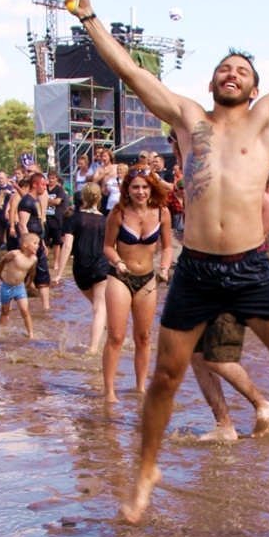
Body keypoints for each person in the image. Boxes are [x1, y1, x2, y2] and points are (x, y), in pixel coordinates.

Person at [69, 0, 269, 522]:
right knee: (166, 375)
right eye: (223, 69)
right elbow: (131, 71)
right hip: (198, 269)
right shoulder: (189, 119)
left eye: (242, 71)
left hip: (252, 267)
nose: (232, 74)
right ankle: (145, 472)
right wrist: (89, 15)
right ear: (211, 84)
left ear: (254, 87)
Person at [190, 177, 269, 442]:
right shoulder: (200, 172)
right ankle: (225, 426)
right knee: (196, 355)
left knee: (213, 355)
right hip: (210, 272)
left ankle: (262, 404)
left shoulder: (228, 172)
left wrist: (238, 247)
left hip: (233, 272)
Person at [102, 167, 172, 403]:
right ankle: (109, 391)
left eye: (144, 187)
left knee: (143, 337)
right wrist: (118, 261)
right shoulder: (119, 213)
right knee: (117, 336)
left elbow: (168, 246)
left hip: (147, 279)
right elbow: (108, 246)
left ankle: (141, 388)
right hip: (120, 277)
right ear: (127, 189)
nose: (140, 192)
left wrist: (164, 266)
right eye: (135, 187)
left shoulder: (162, 213)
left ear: (151, 188)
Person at [59, 182, 111, 353]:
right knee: (99, 307)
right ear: (99, 197)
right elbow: (112, 247)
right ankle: (94, 349)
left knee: (98, 306)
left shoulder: (73, 219)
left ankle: (105, 336)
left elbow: (67, 246)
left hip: (80, 269)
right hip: (101, 267)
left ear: (83, 197)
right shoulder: (105, 221)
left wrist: (59, 273)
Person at [17, 172, 52, 310]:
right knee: (22, 274)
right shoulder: (26, 201)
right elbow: (22, 224)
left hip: (38, 241)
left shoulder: (36, 200)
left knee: (43, 273)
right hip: (30, 244)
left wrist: (41, 242)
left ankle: (46, 307)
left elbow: (38, 223)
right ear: (35, 184)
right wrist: (28, 245)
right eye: (43, 185)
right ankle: (16, 305)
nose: (45, 187)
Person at [0, 233, 38, 338]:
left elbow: (32, 272)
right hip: (7, 286)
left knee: (25, 310)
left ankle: (31, 334)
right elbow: (3, 260)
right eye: (35, 243)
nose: (37, 246)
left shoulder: (33, 259)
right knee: (5, 311)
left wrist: (29, 282)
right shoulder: (15, 254)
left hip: (19, 287)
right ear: (25, 244)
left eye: (38, 243)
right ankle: (2, 331)